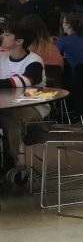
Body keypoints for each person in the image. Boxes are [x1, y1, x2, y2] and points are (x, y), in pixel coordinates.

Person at [0, 20, 46, 180]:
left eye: (6, 35)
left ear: (19, 42)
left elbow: (27, 80)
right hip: (6, 106)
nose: (2, 37)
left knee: (10, 118)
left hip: (33, 107)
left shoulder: (34, 61)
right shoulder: (2, 56)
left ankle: (14, 163)